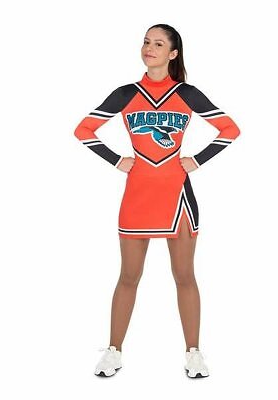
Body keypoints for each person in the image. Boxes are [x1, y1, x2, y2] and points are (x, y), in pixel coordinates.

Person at [74, 23, 241, 378]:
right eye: (146, 42)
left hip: (177, 197)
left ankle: (193, 353)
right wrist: (116, 159)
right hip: (137, 196)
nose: (149, 48)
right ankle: (114, 351)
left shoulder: (186, 93)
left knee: (184, 275)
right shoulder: (126, 93)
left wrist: (197, 159)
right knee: (128, 276)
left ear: (173, 53)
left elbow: (230, 129)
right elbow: (83, 130)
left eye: (159, 43)